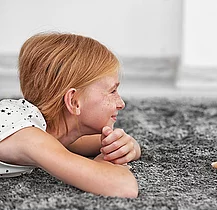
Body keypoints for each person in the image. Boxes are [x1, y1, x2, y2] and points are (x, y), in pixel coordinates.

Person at [0, 32, 141, 198]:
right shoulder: (29, 138)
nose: (121, 103)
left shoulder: (53, 131)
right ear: (74, 102)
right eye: (112, 91)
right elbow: (123, 187)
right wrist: (105, 163)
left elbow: (116, 143)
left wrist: (124, 147)